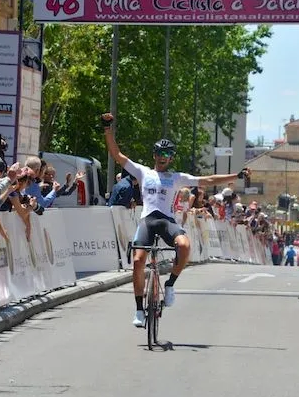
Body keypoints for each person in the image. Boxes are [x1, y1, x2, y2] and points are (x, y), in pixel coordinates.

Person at [101, 112, 249, 327]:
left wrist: (236, 176)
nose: (163, 156)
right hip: (148, 221)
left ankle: (170, 285)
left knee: (185, 245)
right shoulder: (142, 172)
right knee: (138, 261)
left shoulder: (177, 178)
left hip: (167, 221)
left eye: (167, 153)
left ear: (171, 158)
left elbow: (208, 180)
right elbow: (116, 154)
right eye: (160, 152)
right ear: (154, 155)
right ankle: (139, 310)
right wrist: (107, 129)